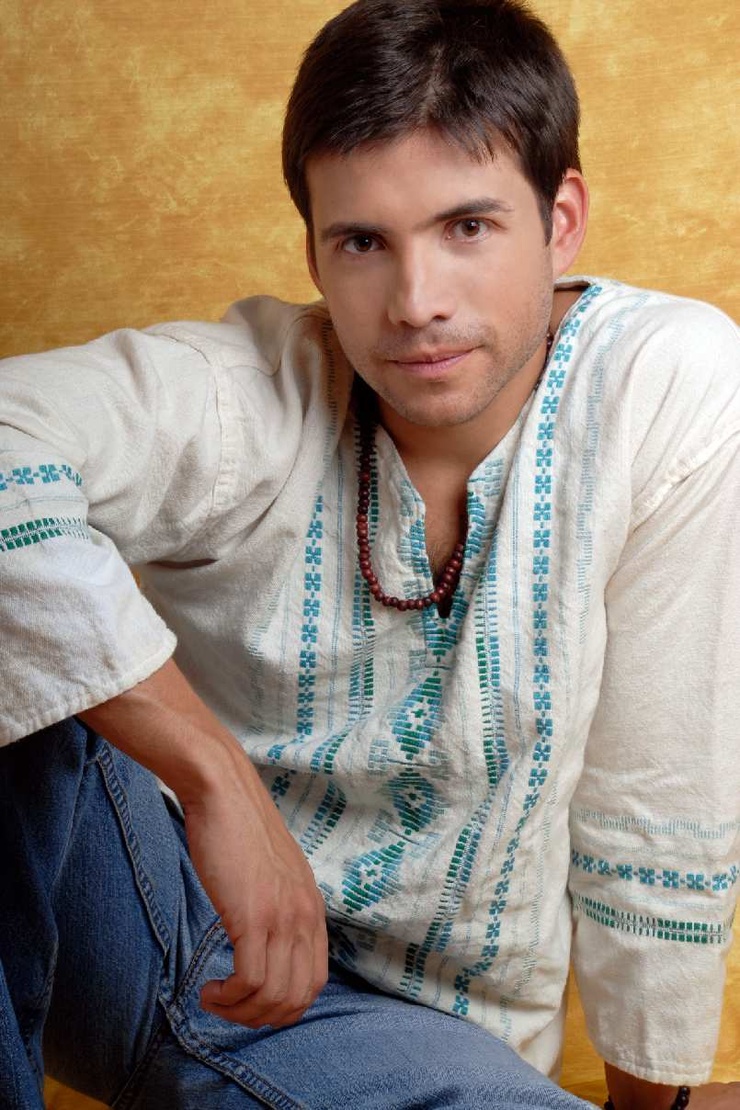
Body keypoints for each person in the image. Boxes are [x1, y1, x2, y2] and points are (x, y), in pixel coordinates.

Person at [0, 1, 738, 1108]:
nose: (415, 304)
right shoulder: (245, 390)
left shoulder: (663, 384)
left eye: (467, 228)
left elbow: (659, 790)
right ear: (313, 251)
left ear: (562, 221)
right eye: (362, 243)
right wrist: (211, 775)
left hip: (415, 1040)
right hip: (137, 922)